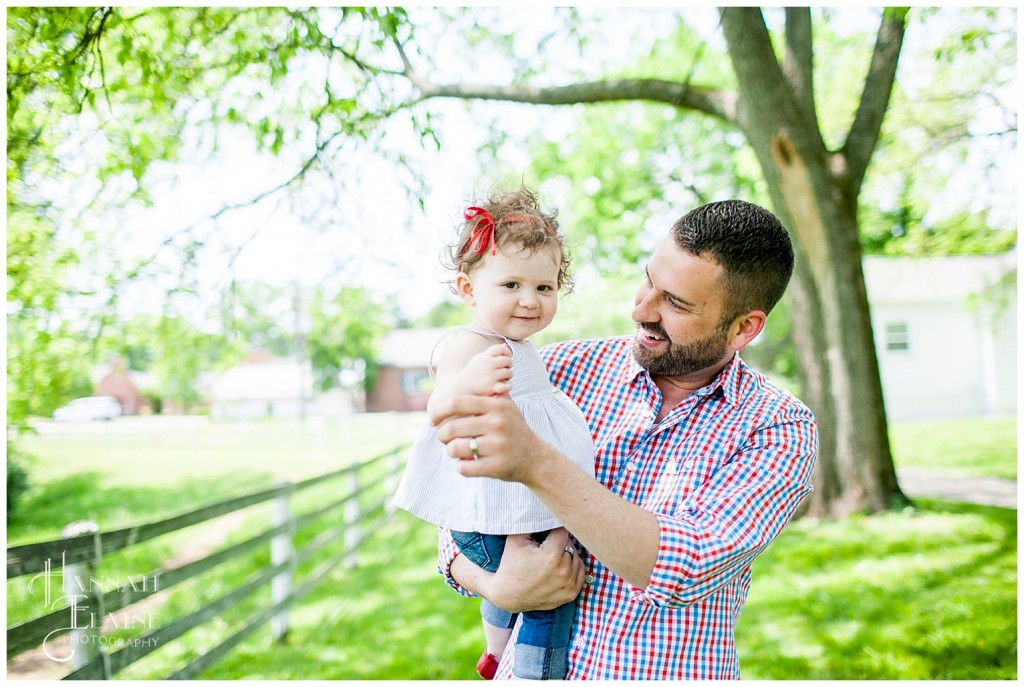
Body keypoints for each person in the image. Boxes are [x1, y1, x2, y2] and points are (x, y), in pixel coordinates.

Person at [429, 199, 819, 680]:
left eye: (674, 302)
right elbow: (462, 501)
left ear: (744, 328)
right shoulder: (561, 370)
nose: (641, 308)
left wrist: (536, 464)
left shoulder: (777, 427)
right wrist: (496, 585)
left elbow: (689, 564)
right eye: (649, 280)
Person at [392, 186, 595, 680]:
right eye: (511, 285)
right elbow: (440, 407)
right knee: (549, 598)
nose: (530, 300)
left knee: (531, 582)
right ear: (468, 290)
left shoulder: (520, 349)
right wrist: (467, 385)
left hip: (511, 509)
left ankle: (495, 649)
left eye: (544, 288)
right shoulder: (468, 346)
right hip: (491, 515)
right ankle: (530, 672)